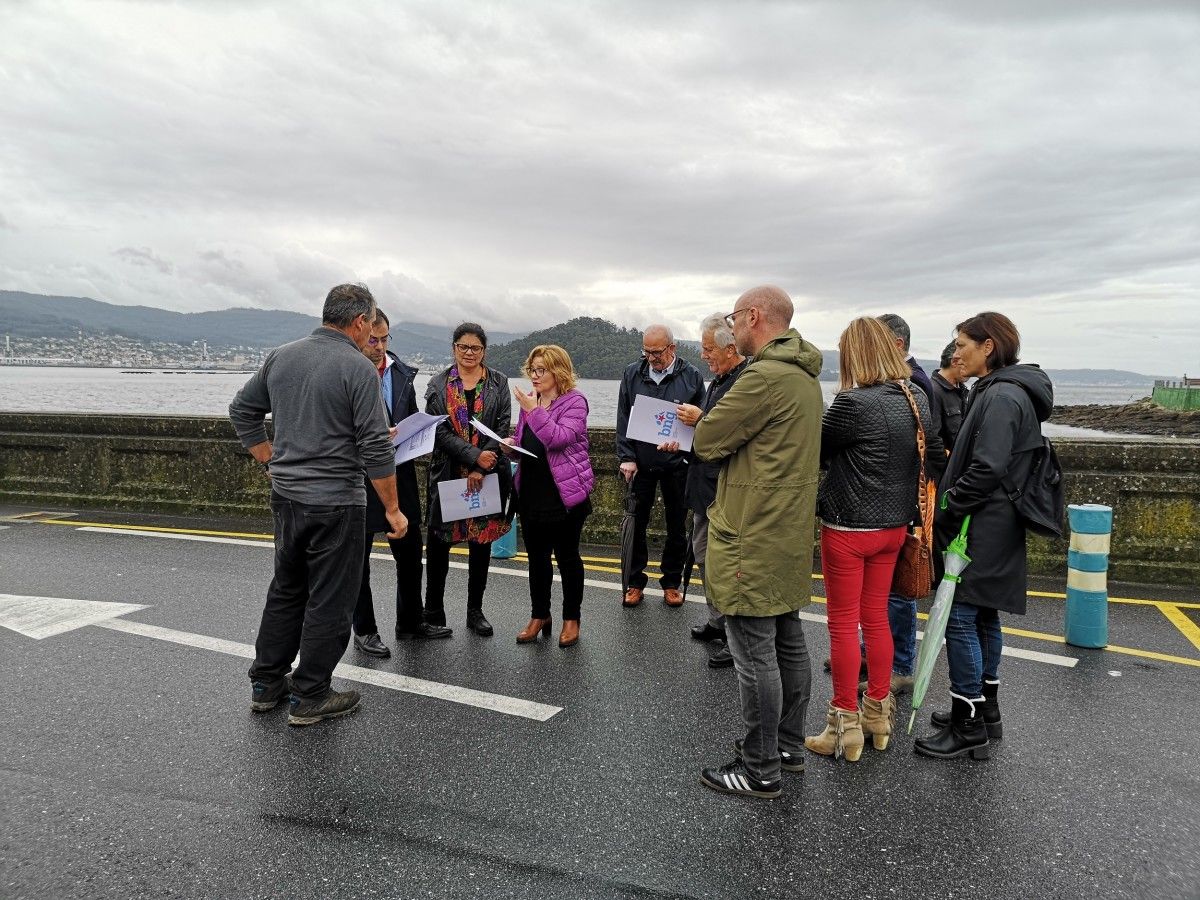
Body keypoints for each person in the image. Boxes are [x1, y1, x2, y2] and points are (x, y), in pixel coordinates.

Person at [229, 283, 405, 727]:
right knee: (330, 600)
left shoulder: (282, 356)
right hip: (336, 503)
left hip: (287, 498)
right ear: (361, 321)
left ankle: (266, 683)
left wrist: (270, 458)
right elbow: (375, 449)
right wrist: (393, 509)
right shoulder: (358, 368)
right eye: (371, 326)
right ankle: (310, 693)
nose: (372, 336)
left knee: (286, 589)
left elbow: (241, 411)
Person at [693, 285, 823, 799]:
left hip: (751, 531)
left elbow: (706, 440)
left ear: (753, 317)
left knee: (753, 656)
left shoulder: (763, 377)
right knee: (790, 644)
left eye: (735, 318)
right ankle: (788, 746)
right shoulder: (805, 378)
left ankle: (759, 766)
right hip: (787, 532)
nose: (733, 327)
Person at [804, 318, 944, 762]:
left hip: (848, 527)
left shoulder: (852, 403)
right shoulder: (916, 395)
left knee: (843, 625)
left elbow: (817, 452)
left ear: (854, 356)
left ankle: (842, 725)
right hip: (894, 529)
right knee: (878, 619)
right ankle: (878, 715)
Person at [915, 312, 1053, 760]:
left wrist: (951, 504)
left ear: (987, 346)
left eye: (961, 344)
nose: (955, 353)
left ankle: (967, 722)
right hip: (999, 523)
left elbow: (988, 466)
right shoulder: (1011, 391)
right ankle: (985, 710)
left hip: (981, 524)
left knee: (959, 618)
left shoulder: (1001, 397)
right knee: (984, 617)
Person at [351, 310, 451, 657]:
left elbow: (407, 418)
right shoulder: (348, 370)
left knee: (410, 553)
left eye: (384, 339)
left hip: (401, 473)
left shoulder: (402, 373)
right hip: (359, 476)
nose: (378, 347)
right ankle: (364, 629)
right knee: (357, 559)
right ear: (360, 333)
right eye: (372, 340)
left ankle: (409, 622)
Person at [661, 314, 747, 669]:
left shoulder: (743, 382)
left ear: (731, 347)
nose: (704, 355)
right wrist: (681, 443)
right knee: (703, 555)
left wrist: (700, 421)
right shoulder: (721, 379)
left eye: (709, 349)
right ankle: (718, 620)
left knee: (722, 564)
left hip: (722, 490)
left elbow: (729, 434)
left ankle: (734, 637)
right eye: (702, 348)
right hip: (703, 484)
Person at [502, 345, 595, 647]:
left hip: (564, 495)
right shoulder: (533, 402)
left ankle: (571, 617)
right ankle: (539, 614)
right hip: (531, 491)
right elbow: (525, 440)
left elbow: (558, 439)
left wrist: (533, 410)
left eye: (541, 370)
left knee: (567, 558)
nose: (535, 376)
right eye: (532, 369)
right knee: (537, 559)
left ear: (559, 371)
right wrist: (509, 444)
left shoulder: (575, 402)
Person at [424, 323, 511, 637]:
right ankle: (433, 609)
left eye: (475, 347)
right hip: (447, 473)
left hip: (484, 476)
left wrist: (481, 468)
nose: (469, 352)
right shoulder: (437, 384)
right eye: (463, 347)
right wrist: (473, 457)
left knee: (481, 544)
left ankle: (475, 611)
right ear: (454, 349)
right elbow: (437, 431)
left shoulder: (499, 382)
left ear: (484, 350)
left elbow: (502, 428)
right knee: (439, 544)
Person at [615, 324, 705, 608]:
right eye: (647, 352)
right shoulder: (632, 373)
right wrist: (626, 457)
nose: (651, 358)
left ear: (672, 348)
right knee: (636, 523)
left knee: (677, 525)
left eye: (657, 352)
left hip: (677, 462)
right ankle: (634, 582)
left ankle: (671, 582)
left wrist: (684, 447)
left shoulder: (691, 376)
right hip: (640, 462)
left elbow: (701, 421)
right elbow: (623, 417)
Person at [872, 312, 937, 695]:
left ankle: (901, 664)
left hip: (904, 502)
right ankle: (872, 653)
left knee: (898, 589)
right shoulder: (903, 381)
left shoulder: (914, 385)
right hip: (896, 498)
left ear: (896, 345)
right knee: (881, 591)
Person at [930, 339, 969, 452]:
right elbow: (932, 440)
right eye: (967, 362)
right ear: (954, 362)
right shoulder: (933, 391)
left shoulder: (961, 390)